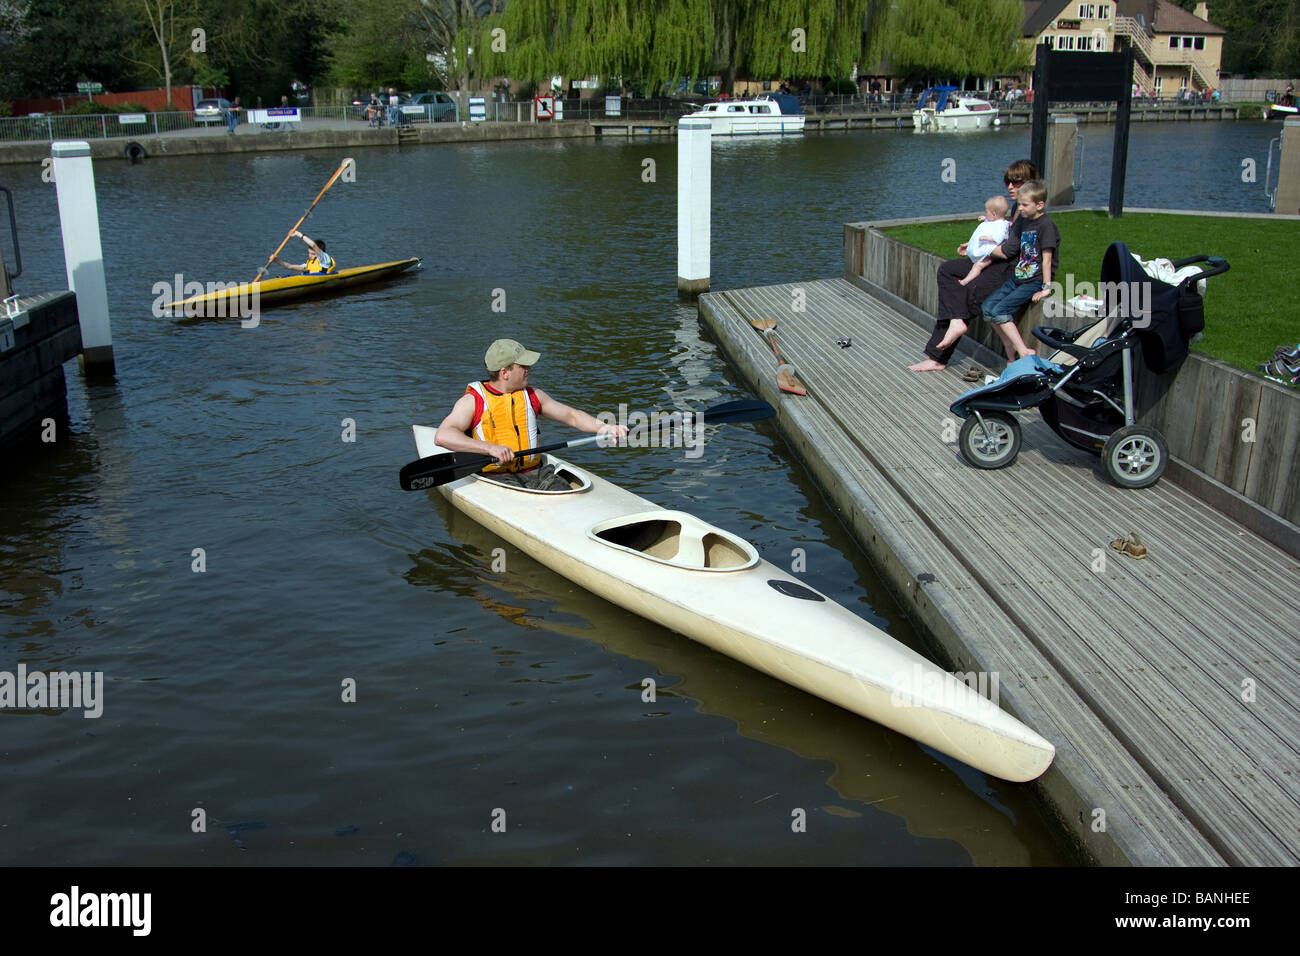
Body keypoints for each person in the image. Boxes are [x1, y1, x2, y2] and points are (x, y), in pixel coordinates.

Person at [434, 339, 629, 491]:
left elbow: (572, 416)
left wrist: (605, 427)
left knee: (563, 495)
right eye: (523, 366)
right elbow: (443, 436)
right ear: (505, 373)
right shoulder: (473, 401)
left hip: (538, 473)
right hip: (495, 477)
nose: (529, 369)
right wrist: (489, 448)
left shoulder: (534, 395)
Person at [908, 159, 1039, 372]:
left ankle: (938, 357)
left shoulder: (1029, 213)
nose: (1010, 187)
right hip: (995, 260)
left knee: (968, 292)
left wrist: (980, 249)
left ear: (1031, 183)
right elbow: (1002, 240)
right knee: (948, 270)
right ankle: (955, 325)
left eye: (1017, 182)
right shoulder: (1015, 208)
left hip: (1008, 269)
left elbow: (1009, 251)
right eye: (1008, 181)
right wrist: (973, 245)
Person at [978, 179, 1059, 362]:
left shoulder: (1046, 226)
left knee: (1000, 311)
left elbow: (1047, 259)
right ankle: (1008, 343)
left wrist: (1046, 287)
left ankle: (1023, 351)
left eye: (1024, 204)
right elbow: (1011, 242)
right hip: (1018, 276)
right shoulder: (1023, 220)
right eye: (1019, 204)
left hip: (1034, 280)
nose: (1019, 208)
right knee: (987, 308)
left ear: (1040, 205)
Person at [957, 195, 1011, 287]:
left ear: (994, 214)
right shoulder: (995, 221)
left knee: (978, 265)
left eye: (987, 212)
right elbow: (991, 223)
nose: (985, 213)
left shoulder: (1002, 225)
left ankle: (965, 281)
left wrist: (988, 238)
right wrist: (985, 218)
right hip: (987, 248)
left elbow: (1000, 237)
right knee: (976, 264)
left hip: (991, 253)